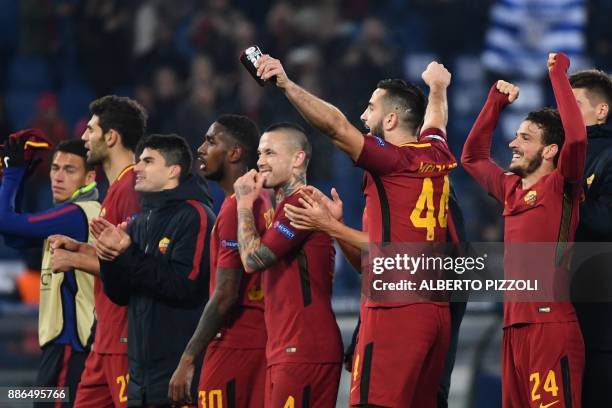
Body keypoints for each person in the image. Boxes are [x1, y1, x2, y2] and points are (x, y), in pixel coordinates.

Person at [255, 55, 455, 406]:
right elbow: (437, 119)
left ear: (391, 119)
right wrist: (438, 86)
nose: (363, 117)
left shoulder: (392, 159)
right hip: (434, 310)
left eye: (371, 108)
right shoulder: (436, 151)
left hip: (395, 308)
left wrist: (286, 84)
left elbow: (335, 126)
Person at [461, 53, 586, 408]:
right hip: (512, 328)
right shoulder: (510, 189)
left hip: (550, 326)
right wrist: (494, 102)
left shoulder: (563, 184)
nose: (513, 144)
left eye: (525, 138)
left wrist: (557, 73)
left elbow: (575, 140)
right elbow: (472, 158)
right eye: (515, 136)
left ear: (549, 150)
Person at [94, 133, 215, 407]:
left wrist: (128, 253)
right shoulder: (139, 220)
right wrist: (109, 257)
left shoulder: (195, 215)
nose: (137, 168)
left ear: (173, 171)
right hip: (140, 380)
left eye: (148, 161)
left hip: (178, 376)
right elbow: (120, 295)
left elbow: (185, 285)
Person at [234, 122, 343, 407]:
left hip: (304, 348)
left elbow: (252, 260)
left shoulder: (301, 203)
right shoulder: (289, 206)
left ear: (298, 159)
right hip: (291, 347)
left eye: (270, 152)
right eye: (259, 153)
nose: (260, 161)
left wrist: (244, 204)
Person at [48, 95, 146, 408]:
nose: (84, 138)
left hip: (123, 338)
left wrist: (74, 259)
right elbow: (110, 255)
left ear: (111, 137)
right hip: (104, 338)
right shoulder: (116, 188)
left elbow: (130, 269)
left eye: (91, 131)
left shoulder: (130, 189)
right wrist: (81, 248)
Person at [168, 115, 271, 407]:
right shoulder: (265, 196)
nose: (200, 148)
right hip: (263, 341)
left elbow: (225, 294)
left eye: (211, 141)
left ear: (235, 152)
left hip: (234, 344)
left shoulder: (234, 209)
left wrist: (188, 358)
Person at [0, 136, 99, 407]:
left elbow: (5, 221)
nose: (58, 176)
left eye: (70, 170)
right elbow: (13, 236)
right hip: (66, 344)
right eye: (55, 168)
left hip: (69, 344)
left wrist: (13, 172)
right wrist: (20, 179)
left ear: (90, 177)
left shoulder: (76, 215)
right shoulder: (71, 215)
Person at [568, 69, 612, 406]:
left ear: (602, 111)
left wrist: (567, 195)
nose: (567, 110)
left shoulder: (608, 154)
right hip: (562, 304)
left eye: (576, 103)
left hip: (601, 316)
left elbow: (606, 220)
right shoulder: (560, 155)